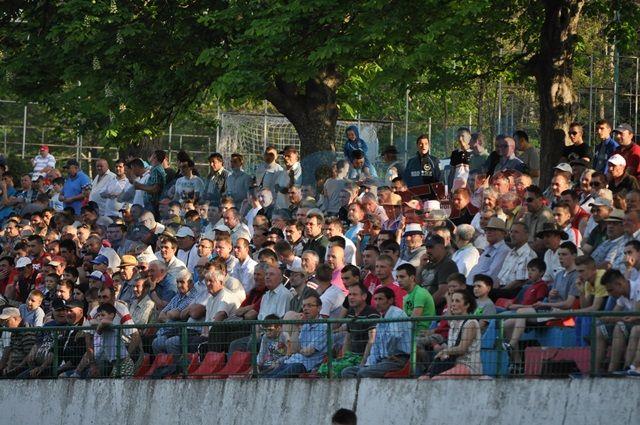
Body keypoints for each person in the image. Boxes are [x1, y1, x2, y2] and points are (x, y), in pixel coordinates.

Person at [341, 286, 411, 378]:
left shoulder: (397, 314)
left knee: (364, 373)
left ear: (390, 300)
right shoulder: (381, 319)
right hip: (383, 360)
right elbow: (375, 347)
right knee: (347, 372)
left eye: (380, 299)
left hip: (399, 359)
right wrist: (367, 364)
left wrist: (389, 354)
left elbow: (394, 336)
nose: (377, 303)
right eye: (375, 299)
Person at [419, 289, 482, 379]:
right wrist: (448, 299)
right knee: (423, 379)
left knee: (436, 380)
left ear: (467, 305)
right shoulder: (453, 323)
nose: (453, 304)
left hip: (468, 365)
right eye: (452, 301)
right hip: (452, 364)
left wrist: (445, 351)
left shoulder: (471, 323)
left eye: (457, 301)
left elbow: (462, 349)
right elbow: (449, 316)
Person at [264, 294, 327, 378]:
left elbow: (308, 352)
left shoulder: (324, 327)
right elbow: (296, 349)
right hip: (292, 360)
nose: (305, 308)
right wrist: (296, 327)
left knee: (274, 379)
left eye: (309, 305)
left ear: (319, 308)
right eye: (304, 306)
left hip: (304, 365)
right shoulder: (305, 325)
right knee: (264, 377)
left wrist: (300, 350)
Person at [403, 134, 442, 199]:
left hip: (431, 198)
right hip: (415, 198)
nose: (423, 146)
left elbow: (439, 179)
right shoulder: (411, 162)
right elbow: (406, 180)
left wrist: (438, 195)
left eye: (426, 144)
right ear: (417, 145)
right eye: (421, 144)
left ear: (429, 145)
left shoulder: (434, 161)